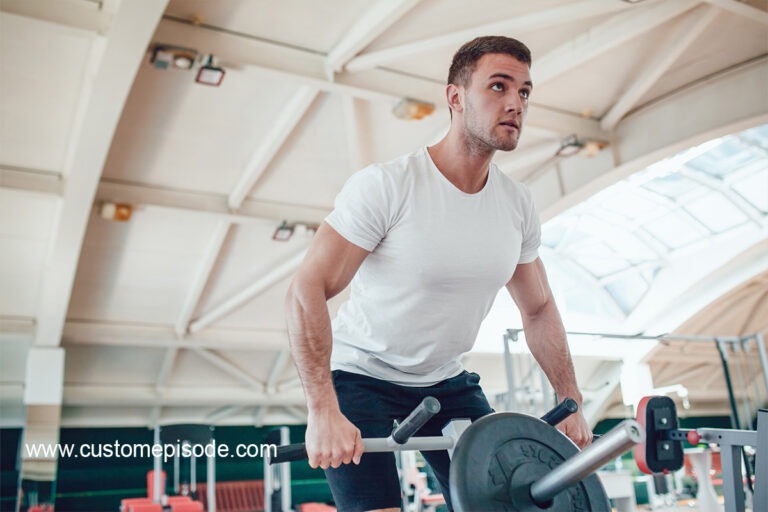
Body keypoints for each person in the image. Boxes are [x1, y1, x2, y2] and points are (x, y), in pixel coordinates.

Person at [285, 35, 591, 512]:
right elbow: (307, 288)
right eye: (498, 86)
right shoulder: (388, 186)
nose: (515, 103)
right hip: (359, 376)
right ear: (455, 97)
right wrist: (322, 409)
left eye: (525, 92)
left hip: (447, 383)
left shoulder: (516, 204)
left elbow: (539, 307)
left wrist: (570, 400)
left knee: (503, 503)